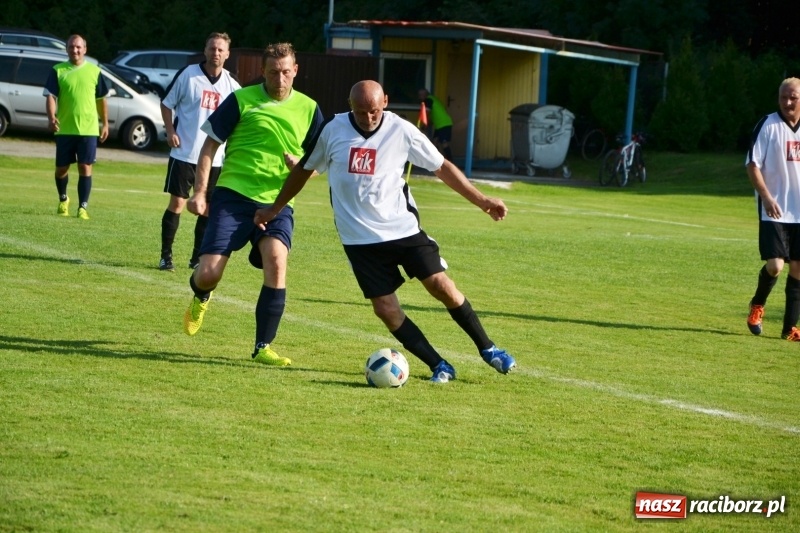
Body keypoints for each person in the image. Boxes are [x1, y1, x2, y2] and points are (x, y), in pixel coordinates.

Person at [255, 80, 516, 383]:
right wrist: (274, 208)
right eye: (362, 112)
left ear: (386, 102)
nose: (368, 118)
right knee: (386, 308)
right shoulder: (332, 129)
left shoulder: (401, 130)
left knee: (441, 286)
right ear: (350, 105)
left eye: (375, 111)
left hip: (402, 229)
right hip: (359, 240)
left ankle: (489, 348)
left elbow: (441, 166)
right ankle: (439, 365)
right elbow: (304, 169)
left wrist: (482, 200)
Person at [182, 42, 324, 367]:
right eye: (273, 72)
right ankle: (202, 294)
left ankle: (263, 346)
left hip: (277, 201)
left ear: (295, 71)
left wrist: (301, 166)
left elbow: (319, 162)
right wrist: (200, 192)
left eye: (286, 72)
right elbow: (209, 145)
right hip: (233, 196)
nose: (280, 78)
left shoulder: (309, 108)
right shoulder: (241, 100)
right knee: (207, 274)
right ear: (263, 71)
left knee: (276, 260)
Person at [158, 32, 241, 271]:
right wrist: (171, 129)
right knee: (177, 203)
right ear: (205, 50)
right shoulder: (188, 75)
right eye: (212, 48)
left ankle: (196, 258)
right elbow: (166, 103)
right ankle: (166, 256)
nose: (216, 53)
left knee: (207, 210)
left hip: (216, 160)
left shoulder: (233, 86)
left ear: (227, 54)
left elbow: (240, 121)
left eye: (220, 50)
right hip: (184, 153)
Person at [746, 77, 800, 341]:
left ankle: (790, 328)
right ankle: (757, 304)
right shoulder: (767, 125)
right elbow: (752, 164)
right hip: (775, 210)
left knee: (798, 270)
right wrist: (766, 197)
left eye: (793, 97)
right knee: (775, 266)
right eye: (783, 97)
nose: (788, 102)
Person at [44, 34, 109, 220]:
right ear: (67, 49)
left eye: (78, 47)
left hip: (88, 129)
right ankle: (63, 199)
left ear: (85, 49)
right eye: (72, 47)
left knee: (85, 166)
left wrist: (105, 123)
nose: (75, 50)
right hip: (65, 129)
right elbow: (50, 96)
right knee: (61, 169)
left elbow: (101, 99)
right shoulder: (58, 70)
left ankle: (83, 207)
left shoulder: (94, 71)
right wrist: (51, 117)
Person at [418, 88, 453, 161]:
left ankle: (450, 161)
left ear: (425, 95)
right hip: (440, 124)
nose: (419, 97)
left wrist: (424, 126)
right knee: (435, 141)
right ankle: (438, 160)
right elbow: (432, 114)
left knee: (444, 143)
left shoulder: (428, 100)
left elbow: (426, 114)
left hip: (444, 124)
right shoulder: (432, 99)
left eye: (421, 95)